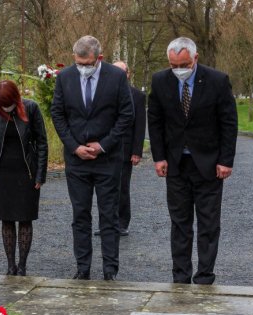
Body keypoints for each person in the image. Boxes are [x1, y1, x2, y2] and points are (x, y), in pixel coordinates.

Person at [148, 37, 238, 284]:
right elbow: (154, 122)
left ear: (195, 58)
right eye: (174, 64)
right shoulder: (160, 81)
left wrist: (226, 160)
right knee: (180, 223)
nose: (179, 70)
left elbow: (229, 123)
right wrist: (159, 157)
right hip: (176, 164)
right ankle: (180, 275)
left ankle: (205, 275)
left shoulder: (217, 81)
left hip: (209, 164)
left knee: (208, 223)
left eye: (184, 64)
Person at [51, 35, 134, 281]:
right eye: (78, 63)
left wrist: (104, 145)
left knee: (109, 215)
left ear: (99, 58)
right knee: (80, 215)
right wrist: (74, 146)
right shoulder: (65, 77)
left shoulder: (116, 77)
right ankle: (82, 267)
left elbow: (126, 115)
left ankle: (110, 269)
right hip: (77, 160)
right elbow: (58, 114)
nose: (82, 68)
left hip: (107, 159)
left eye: (87, 63)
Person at [0, 80, 48, 276]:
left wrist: (40, 175)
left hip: (26, 170)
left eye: (8, 103)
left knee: (25, 218)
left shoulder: (31, 108)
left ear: (16, 98)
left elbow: (42, 142)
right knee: (7, 219)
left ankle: (22, 265)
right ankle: (10, 265)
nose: (5, 108)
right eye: (2, 104)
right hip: (3, 171)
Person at [95, 61, 146, 237]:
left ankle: (122, 223)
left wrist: (136, 151)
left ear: (128, 74)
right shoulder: (102, 92)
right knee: (104, 188)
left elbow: (140, 125)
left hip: (125, 149)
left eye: (121, 72)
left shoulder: (137, 96)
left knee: (122, 188)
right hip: (104, 148)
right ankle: (105, 224)